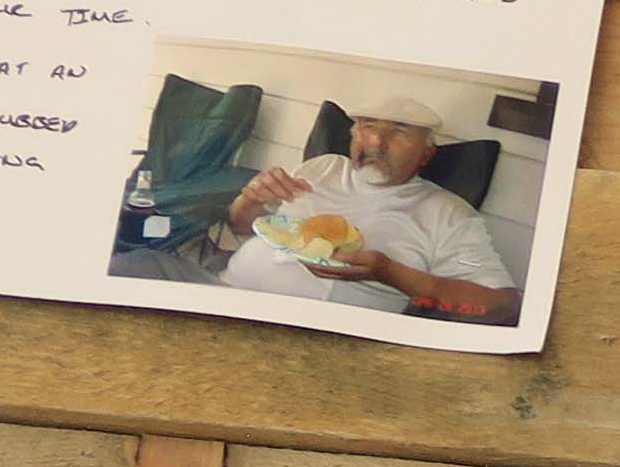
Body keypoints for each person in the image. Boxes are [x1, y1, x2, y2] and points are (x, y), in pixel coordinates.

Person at [213, 74, 517, 322]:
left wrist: (390, 273)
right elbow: (241, 225)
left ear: (427, 154)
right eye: (367, 126)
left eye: (399, 131)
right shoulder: (321, 166)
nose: (376, 141)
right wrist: (249, 199)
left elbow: (500, 305)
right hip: (222, 290)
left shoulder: (447, 212)